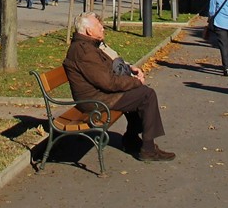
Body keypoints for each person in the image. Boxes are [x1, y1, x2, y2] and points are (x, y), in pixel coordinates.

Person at [63, 12, 174, 162]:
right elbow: (108, 83)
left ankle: (131, 139)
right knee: (146, 95)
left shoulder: (88, 46)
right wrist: (136, 82)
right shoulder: (84, 51)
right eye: (99, 26)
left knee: (139, 93)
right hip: (94, 100)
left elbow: (108, 70)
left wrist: (129, 71)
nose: (102, 28)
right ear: (89, 31)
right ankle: (148, 149)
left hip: (98, 94)